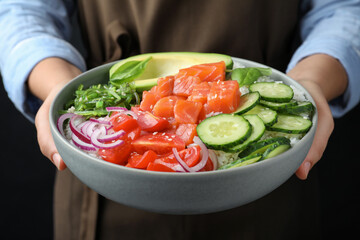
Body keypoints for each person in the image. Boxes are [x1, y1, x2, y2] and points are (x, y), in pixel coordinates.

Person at [0, 0, 359, 239]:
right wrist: (57, 86)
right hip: (103, 197)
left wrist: (310, 82)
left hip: (268, 189)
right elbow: (22, 11)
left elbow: (343, 9)